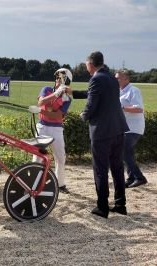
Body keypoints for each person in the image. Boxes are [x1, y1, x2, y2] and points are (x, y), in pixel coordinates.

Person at [66, 51, 129, 218]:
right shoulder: (111, 79)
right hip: (118, 128)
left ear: (90, 64)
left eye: (86, 64)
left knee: (100, 169)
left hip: (102, 131)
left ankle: (102, 208)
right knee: (117, 168)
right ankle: (120, 204)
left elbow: (92, 103)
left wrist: (83, 115)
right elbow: (94, 94)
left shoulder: (95, 79)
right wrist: (73, 92)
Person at [32, 68, 73, 194]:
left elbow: (58, 116)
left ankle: (60, 184)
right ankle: (33, 181)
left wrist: (43, 111)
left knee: (60, 158)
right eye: (57, 78)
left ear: (66, 82)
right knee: (37, 156)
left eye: (61, 78)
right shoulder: (46, 89)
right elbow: (41, 102)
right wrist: (55, 95)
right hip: (43, 126)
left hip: (57, 129)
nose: (58, 80)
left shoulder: (68, 98)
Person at [115, 69, 147, 188]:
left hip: (134, 127)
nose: (116, 80)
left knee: (124, 151)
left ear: (126, 79)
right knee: (127, 153)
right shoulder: (118, 91)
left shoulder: (134, 91)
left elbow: (139, 109)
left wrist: (122, 107)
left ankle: (140, 177)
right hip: (125, 128)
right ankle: (131, 178)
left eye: (118, 78)